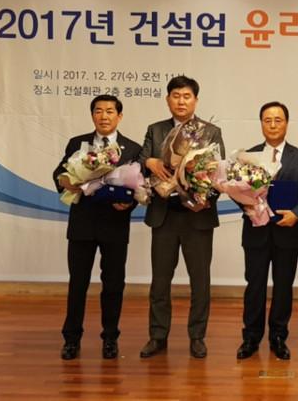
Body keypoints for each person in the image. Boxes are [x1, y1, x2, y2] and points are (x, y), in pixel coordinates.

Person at [138, 75, 225, 359]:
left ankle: (197, 336)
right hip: (164, 215)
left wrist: (204, 198)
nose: (181, 101)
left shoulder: (211, 131)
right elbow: (140, 164)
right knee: (160, 281)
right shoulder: (156, 130)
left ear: (195, 100)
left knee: (200, 281)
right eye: (175, 96)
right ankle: (157, 336)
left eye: (186, 96)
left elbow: (218, 174)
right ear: (168, 100)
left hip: (197, 217)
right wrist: (149, 161)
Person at [53, 94, 142, 360]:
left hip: (115, 225)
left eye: (110, 111)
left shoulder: (132, 148)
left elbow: (139, 187)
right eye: (98, 111)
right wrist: (67, 181)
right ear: (92, 115)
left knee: (113, 284)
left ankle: (110, 338)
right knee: (77, 284)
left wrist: (129, 204)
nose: (104, 116)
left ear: (119, 116)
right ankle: (71, 339)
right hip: (82, 224)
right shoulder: (77, 143)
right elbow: (59, 174)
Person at [236, 102, 298, 361]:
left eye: (278, 120)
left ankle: (278, 337)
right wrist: (248, 205)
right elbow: (236, 190)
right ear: (261, 123)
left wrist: (297, 214)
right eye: (267, 120)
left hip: (287, 232)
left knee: (283, 287)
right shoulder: (248, 156)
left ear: (286, 123)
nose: (272, 125)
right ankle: (251, 337)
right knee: (255, 286)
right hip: (256, 232)